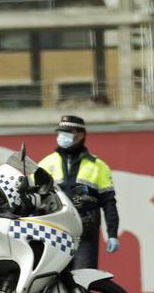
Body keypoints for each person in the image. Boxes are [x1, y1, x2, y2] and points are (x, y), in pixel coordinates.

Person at [39, 115, 119, 270]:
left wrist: (112, 234)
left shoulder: (98, 166)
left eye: (68, 132)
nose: (62, 136)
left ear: (81, 135)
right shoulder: (45, 164)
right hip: (54, 233)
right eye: (60, 132)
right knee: (51, 284)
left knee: (84, 282)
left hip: (85, 234)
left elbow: (109, 203)